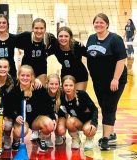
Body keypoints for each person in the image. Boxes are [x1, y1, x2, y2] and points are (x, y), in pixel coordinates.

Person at [86, 13, 127, 151]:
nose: (98, 25)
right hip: (99, 81)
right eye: (96, 22)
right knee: (105, 106)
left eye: (101, 23)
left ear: (107, 24)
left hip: (115, 80)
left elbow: (121, 60)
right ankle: (111, 132)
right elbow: (89, 56)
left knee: (109, 106)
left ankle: (105, 139)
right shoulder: (91, 38)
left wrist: (115, 79)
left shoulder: (115, 39)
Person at [5, 65, 56, 152]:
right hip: (22, 120)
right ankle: (16, 140)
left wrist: (53, 117)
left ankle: (41, 138)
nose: (25, 78)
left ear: (32, 77)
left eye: (28, 75)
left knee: (50, 125)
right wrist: (15, 117)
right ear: (18, 76)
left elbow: (48, 104)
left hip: (36, 119)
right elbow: (8, 108)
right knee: (18, 132)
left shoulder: (38, 88)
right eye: (22, 75)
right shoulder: (13, 91)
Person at [57, 75, 98, 150]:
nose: (68, 88)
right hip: (77, 121)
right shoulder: (62, 97)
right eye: (66, 85)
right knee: (69, 121)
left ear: (74, 86)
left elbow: (94, 109)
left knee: (87, 129)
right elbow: (62, 111)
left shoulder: (82, 94)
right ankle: (76, 139)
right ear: (62, 86)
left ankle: (89, 139)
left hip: (88, 121)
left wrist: (94, 123)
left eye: (71, 85)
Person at [15, 18, 57, 86]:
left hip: (41, 70)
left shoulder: (49, 38)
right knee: (25, 92)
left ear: (45, 29)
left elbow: (62, 43)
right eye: (36, 28)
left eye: (41, 28)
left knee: (40, 92)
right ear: (32, 29)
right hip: (26, 69)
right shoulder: (26, 36)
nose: (39, 31)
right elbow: (10, 39)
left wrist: (76, 42)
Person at [54, 26, 88, 90]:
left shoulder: (77, 45)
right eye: (60, 36)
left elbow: (91, 56)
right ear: (57, 37)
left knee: (79, 97)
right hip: (66, 75)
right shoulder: (55, 47)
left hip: (80, 75)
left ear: (70, 37)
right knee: (67, 98)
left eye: (66, 36)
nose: (63, 38)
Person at [45, 73, 63, 148]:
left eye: (56, 84)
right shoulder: (43, 93)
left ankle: (58, 135)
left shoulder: (62, 93)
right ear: (47, 84)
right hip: (46, 116)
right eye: (51, 84)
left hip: (59, 116)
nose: (54, 86)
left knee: (61, 130)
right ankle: (47, 136)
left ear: (59, 84)